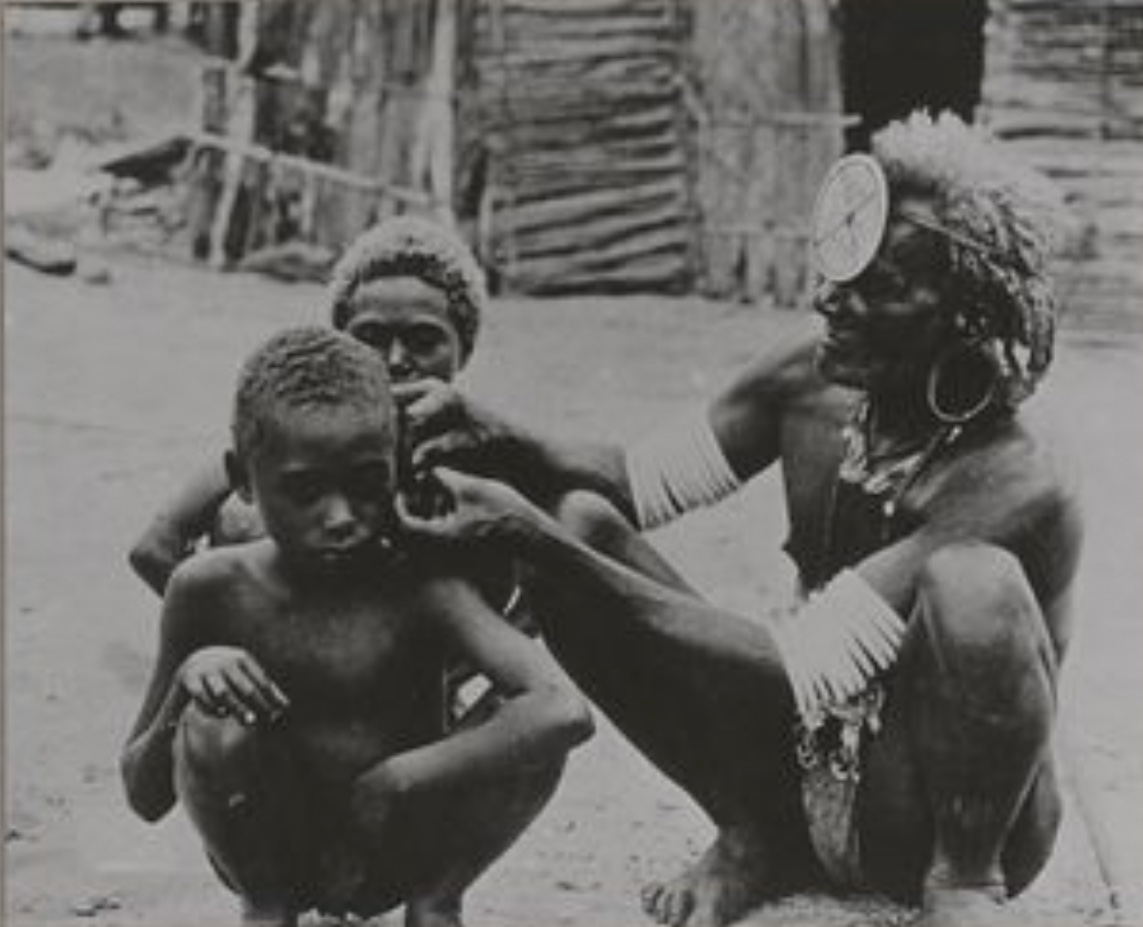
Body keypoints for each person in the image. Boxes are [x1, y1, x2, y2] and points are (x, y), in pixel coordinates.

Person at [389, 112, 1083, 927]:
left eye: (883, 289)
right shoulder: (813, 382)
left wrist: (520, 532)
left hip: (929, 807)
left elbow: (800, 665)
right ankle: (755, 834)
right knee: (580, 521)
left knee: (975, 583)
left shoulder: (1013, 481)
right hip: (806, 758)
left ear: (967, 318)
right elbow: (634, 483)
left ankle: (964, 890)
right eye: (843, 268)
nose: (832, 297)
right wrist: (500, 439)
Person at [120, 327, 593, 927]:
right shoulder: (208, 589)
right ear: (242, 478)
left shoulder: (424, 584)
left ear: (396, 464)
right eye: (305, 490)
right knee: (211, 722)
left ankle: (437, 905)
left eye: (368, 482)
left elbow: (564, 709)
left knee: (523, 719)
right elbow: (142, 793)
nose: (341, 517)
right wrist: (189, 680)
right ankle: (267, 913)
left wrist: (396, 781)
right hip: (276, 851)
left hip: (403, 846)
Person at [128, 214, 488, 595]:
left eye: (424, 340)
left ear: (464, 350)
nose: (396, 359)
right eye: (371, 337)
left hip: (435, 647)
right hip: (277, 644)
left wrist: (496, 634)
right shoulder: (289, 438)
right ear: (338, 343)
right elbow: (153, 548)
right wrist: (232, 622)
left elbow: (548, 548)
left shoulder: (482, 457)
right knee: (244, 520)